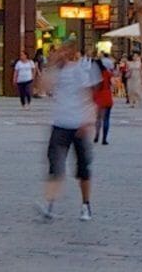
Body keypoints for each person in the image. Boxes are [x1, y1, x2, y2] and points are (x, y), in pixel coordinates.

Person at [40, 40, 104, 220]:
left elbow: (89, 95)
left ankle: (86, 205)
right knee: (55, 164)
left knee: (83, 167)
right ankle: (50, 204)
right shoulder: (58, 71)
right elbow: (43, 87)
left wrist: (88, 120)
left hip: (78, 123)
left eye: (65, 50)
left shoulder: (83, 69)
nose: (62, 53)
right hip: (60, 122)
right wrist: (51, 65)